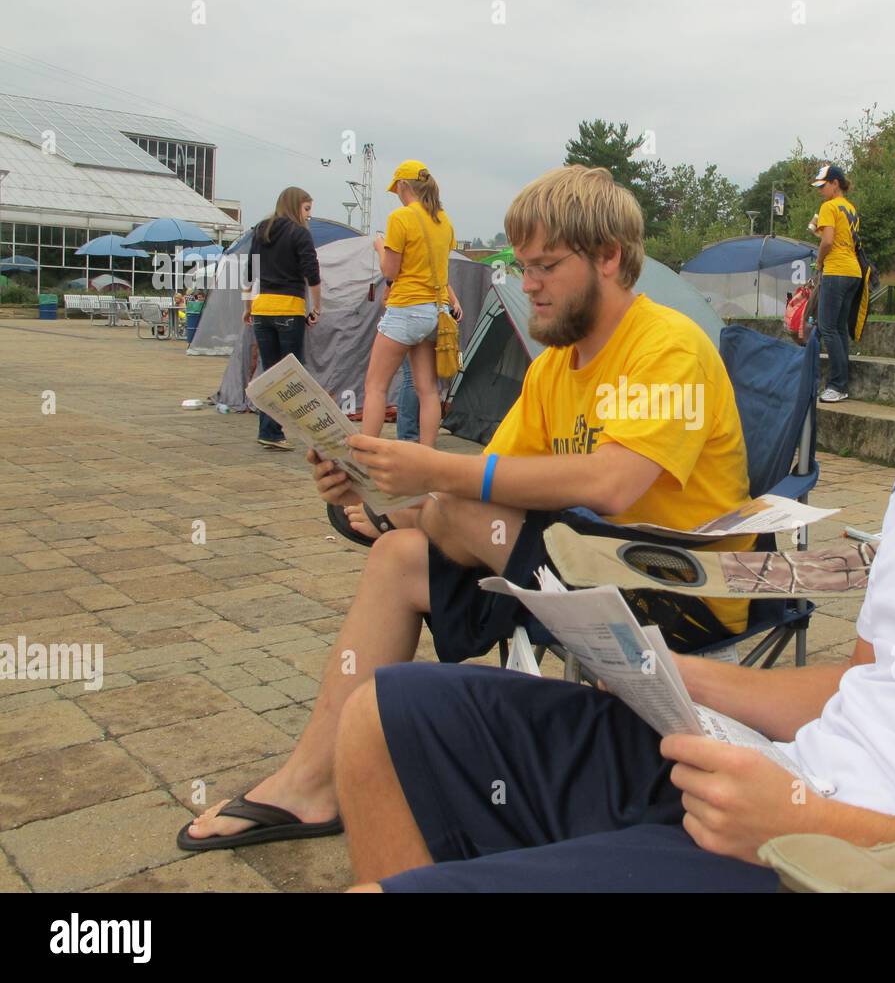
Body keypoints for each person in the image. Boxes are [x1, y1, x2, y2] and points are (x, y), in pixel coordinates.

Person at [331, 110, 895, 893]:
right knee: (388, 717)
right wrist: (673, 680)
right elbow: (863, 685)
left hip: (867, 868)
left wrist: (813, 824)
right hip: (777, 787)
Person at [177, 165, 755, 852]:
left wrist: (430, 474)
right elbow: (483, 488)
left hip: (676, 586)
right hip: (581, 572)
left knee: (453, 510)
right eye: (522, 265)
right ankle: (312, 781)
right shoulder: (552, 369)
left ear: (608, 258)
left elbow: (613, 483)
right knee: (401, 553)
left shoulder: (667, 345)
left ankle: (395, 521)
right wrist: (369, 482)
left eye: (546, 266)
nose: (527, 282)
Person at [362, 160, 461, 445]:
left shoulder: (400, 218)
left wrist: (380, 246)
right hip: (437, 310)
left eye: (397, 190)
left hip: (406, 309)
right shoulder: (444, 221)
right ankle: (426, 456)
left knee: (375, 386)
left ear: (404, 186)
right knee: (428, 390)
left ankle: (365, 454)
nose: (397, 195)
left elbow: (390, 271)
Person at [243, 186, 321, 450]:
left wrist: (248, 307)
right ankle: (290, 429)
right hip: (289, 309)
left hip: (262, 309)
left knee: (271, 372)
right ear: (296, 205)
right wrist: (317, 308)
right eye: (307, 208)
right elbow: (312, 274)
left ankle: (270, 430)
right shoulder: (300, 234)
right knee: (291, 375)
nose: (309, 215)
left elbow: (249, 272)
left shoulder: (261, 230)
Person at [811, 164, 864, 403]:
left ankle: (836, 385)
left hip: (836, 270)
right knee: (840, 329)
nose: (821, 190)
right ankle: (842, 383)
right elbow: (842, 240)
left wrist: (819, 262)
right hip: (853, 272)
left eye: (823, 186)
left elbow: (828, 242)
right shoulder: (850, 208)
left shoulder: (828, 207)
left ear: (835, 183)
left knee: (827, 328)